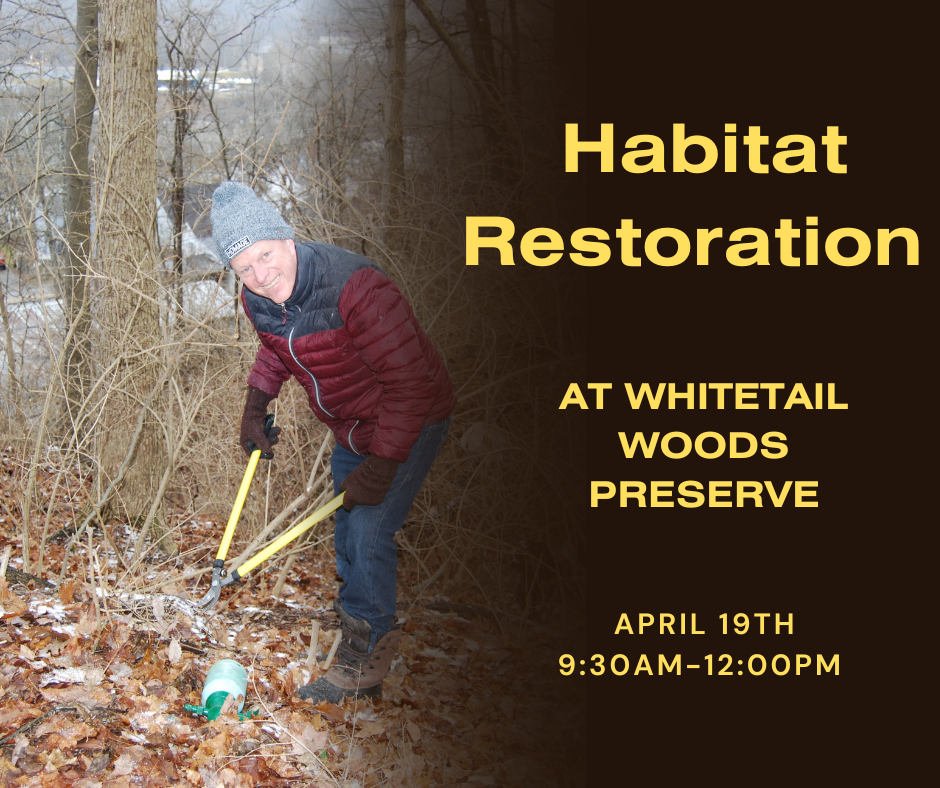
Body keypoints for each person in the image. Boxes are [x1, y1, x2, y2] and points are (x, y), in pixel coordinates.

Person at [211, 181, 456, 703]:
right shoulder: (258, 298)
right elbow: (278, 349)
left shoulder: (357, 288)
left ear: (286, 239)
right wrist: (257, 403)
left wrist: (385, 463)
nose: (260, 276)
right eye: (244, 269)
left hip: (411, 416)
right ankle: (360, 629)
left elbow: (410, 386)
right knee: (347, 530)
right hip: (353, 425)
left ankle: (365, 661)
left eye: (265, 256)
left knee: (368, 530)